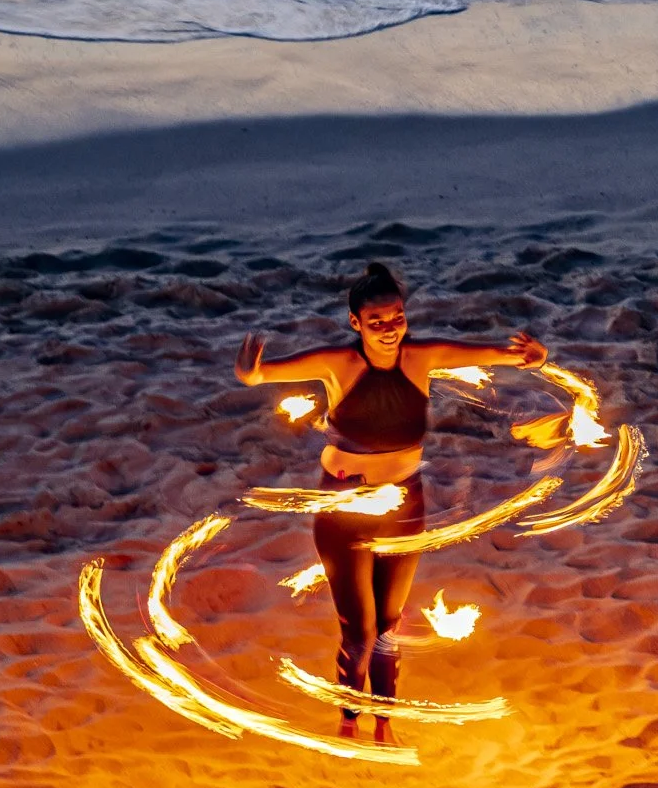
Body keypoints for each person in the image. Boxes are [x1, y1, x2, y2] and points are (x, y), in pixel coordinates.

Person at [234, 262, 547, 743]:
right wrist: (250, 370)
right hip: (343, 507)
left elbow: (508, 356)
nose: (389, 329)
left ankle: (383, 725)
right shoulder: (340, 363)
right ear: (355, 323)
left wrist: (535, 357)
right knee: (358, 628)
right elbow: (259, 378)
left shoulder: (421, 357)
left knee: (388, 625)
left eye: (396, 316)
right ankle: (347, 722)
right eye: (375, 321)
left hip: (406, 505)